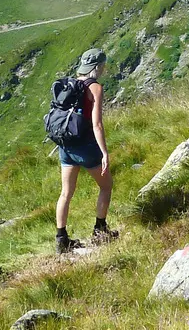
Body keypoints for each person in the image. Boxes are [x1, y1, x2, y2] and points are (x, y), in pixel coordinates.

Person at [55, 48, 118, 254]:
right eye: (103, 66)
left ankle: (61, 239)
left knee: (66, 192)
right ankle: (100, 230)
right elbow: (97, 124)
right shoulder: (95, 88)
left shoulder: (71, 84)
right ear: (97, 67)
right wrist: (104, 152)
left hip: (66, 145)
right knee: (106, 186)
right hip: (86, 146)